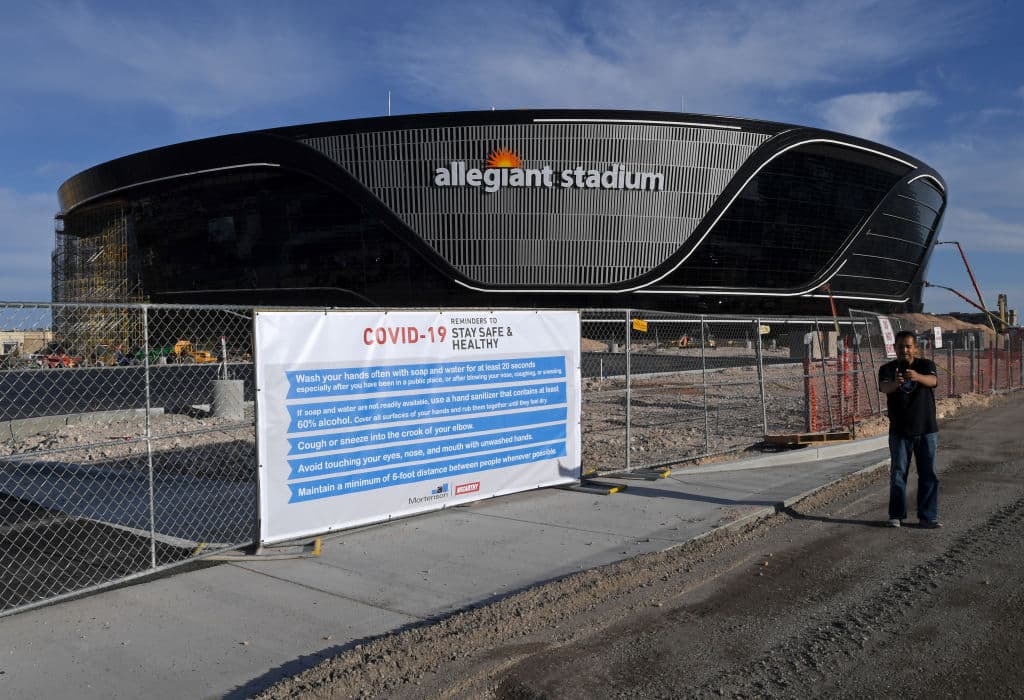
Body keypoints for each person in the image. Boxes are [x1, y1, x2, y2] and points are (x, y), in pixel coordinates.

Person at [878, 331, 940, 528]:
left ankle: (928, 517)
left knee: (928, 474)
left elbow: (933, 381)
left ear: (915, 348)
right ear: (894, 348)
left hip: (926, 430)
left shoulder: (926, 365)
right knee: (898, 475)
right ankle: (896, 515)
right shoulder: (887, 369)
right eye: (900, 346)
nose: (904, 350)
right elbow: (883, 387)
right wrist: (896, 383)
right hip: (899, 431)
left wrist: (917, 376)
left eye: (908, 346)